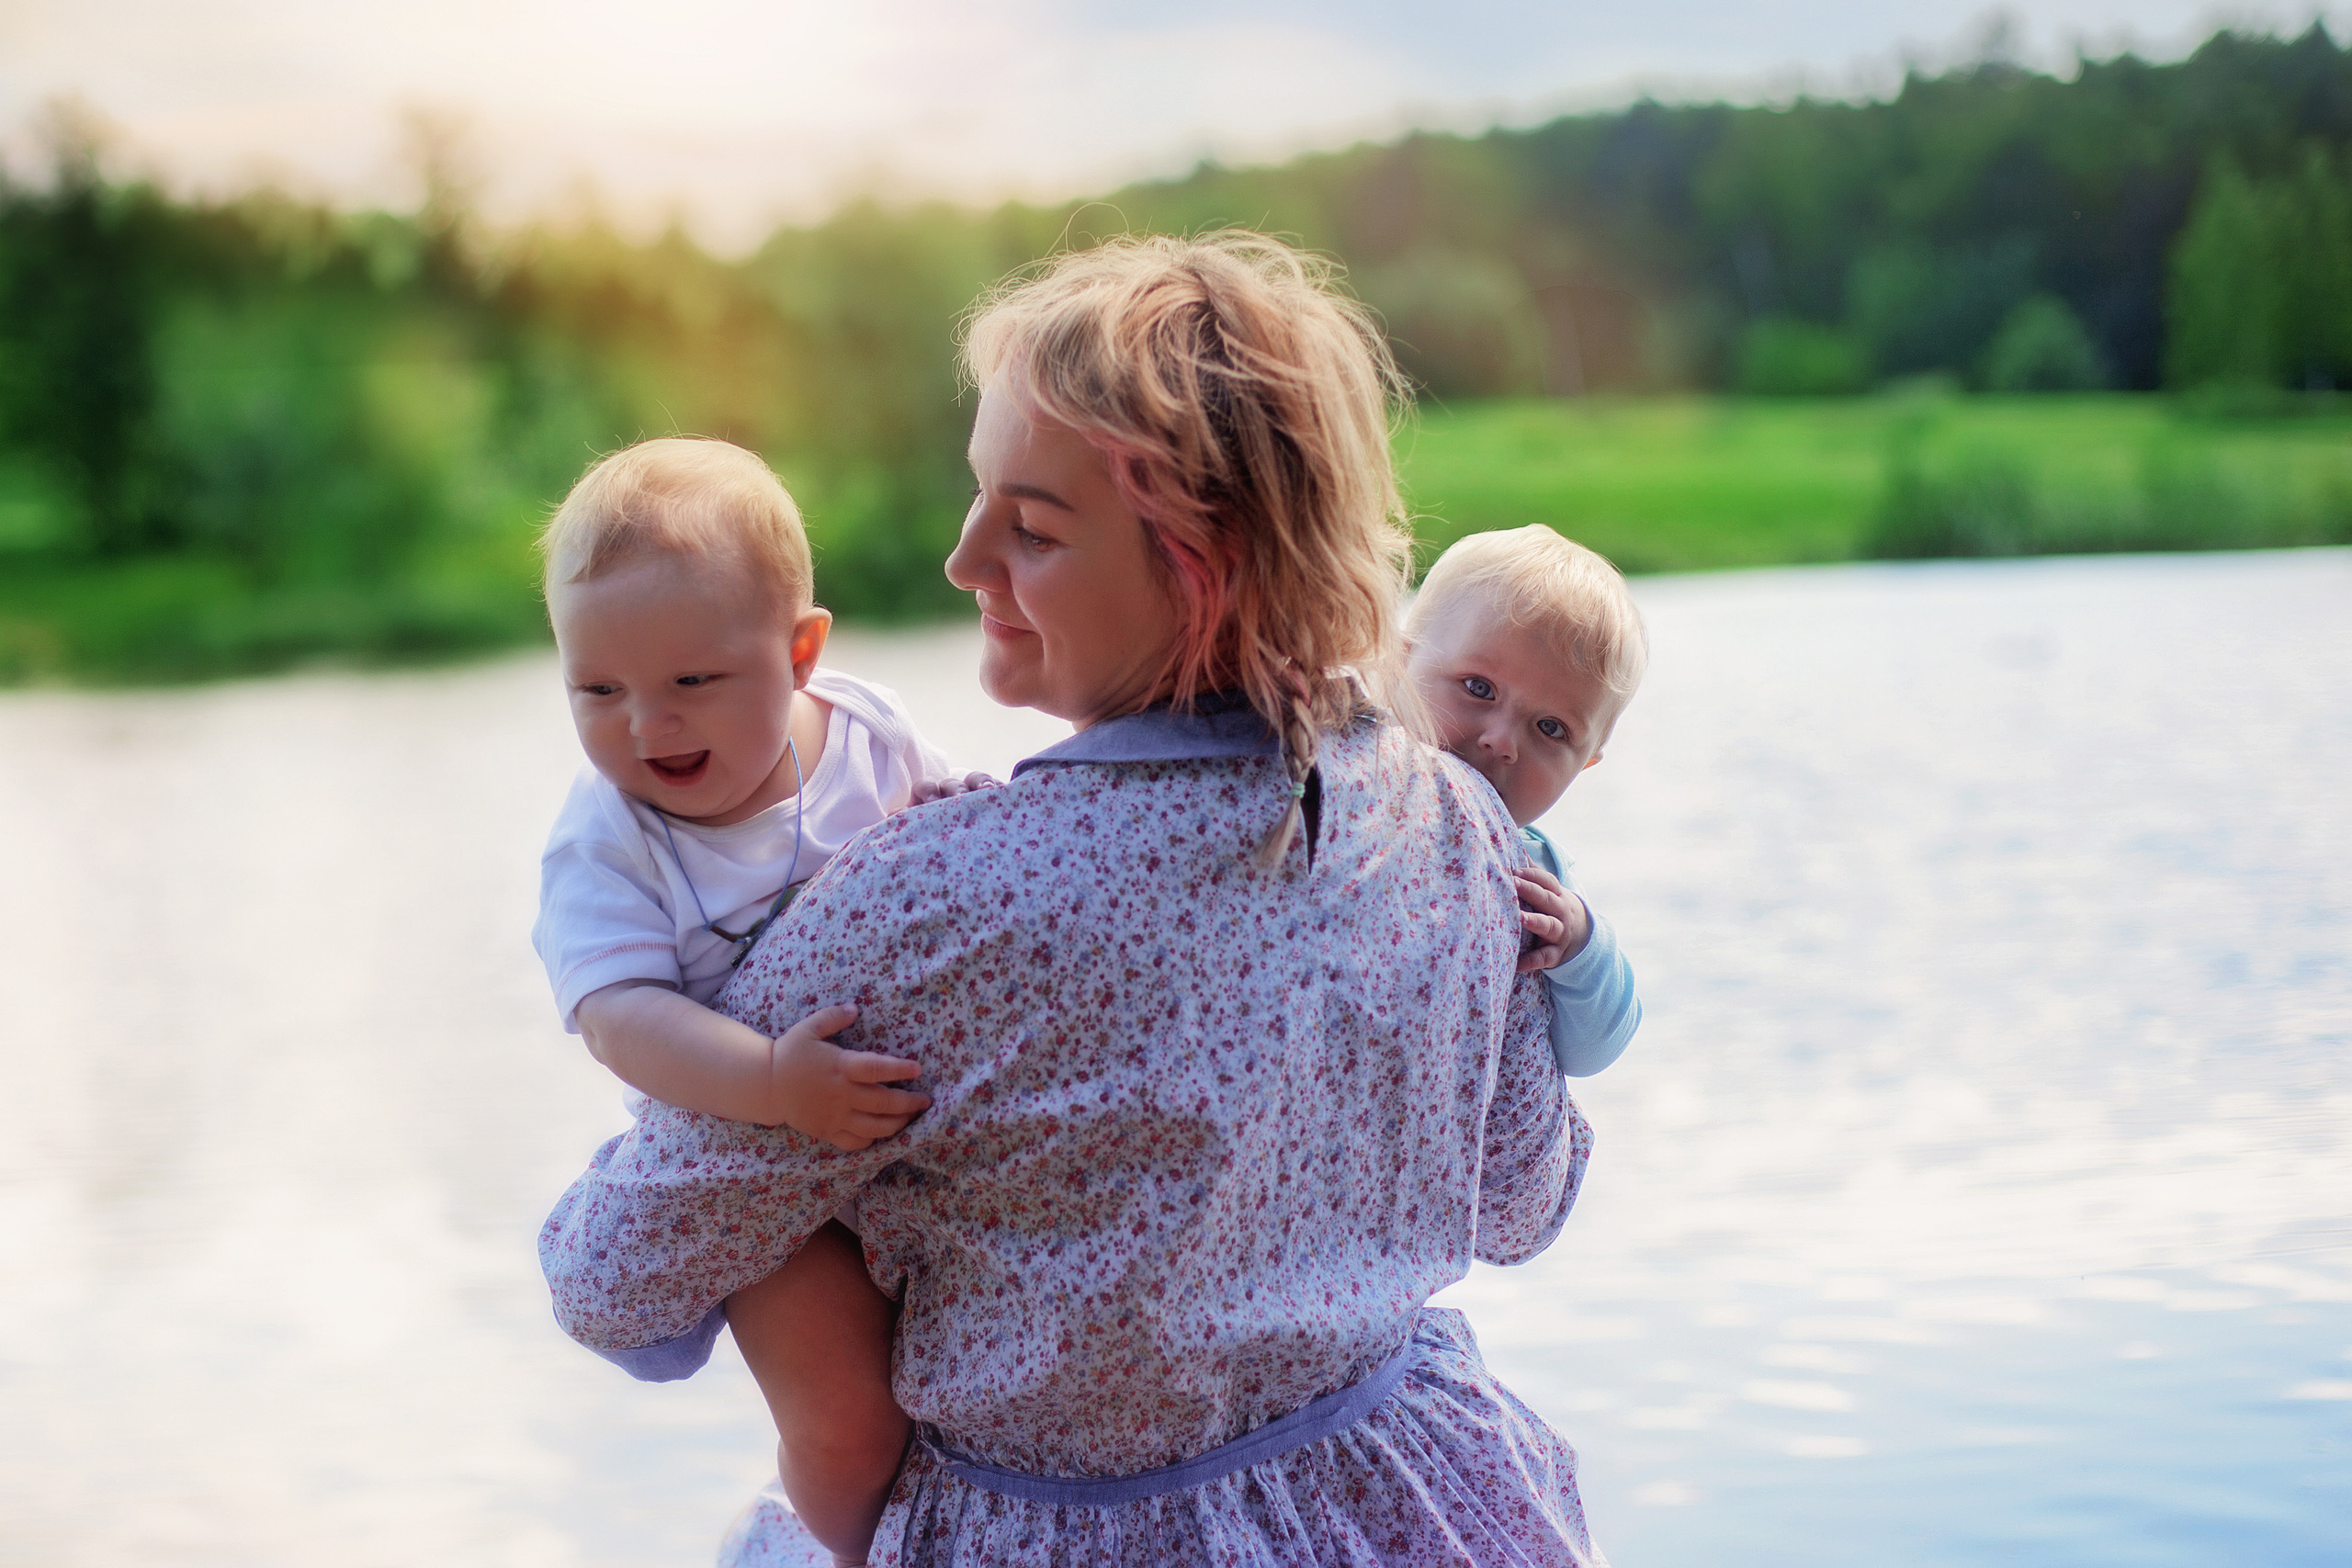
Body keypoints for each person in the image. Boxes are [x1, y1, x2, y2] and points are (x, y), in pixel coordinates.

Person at [541, 231, 1604, 1566]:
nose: (963, 557)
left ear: (1201, 562)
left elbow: (610, 1274)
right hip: (1412, 1499)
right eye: (979, 497)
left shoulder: (934, 903)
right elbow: (1521, 1199)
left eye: (1031, 527)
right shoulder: (1453, 816)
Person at [532, 436, 972, 1558]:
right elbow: (619, 1017)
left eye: (690, 682)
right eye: (598, 689)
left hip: (910, 1125)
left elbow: (950, 846)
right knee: (850, 1425)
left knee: (976, 1382)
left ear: (801, 652)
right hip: (753, 1163)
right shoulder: (608, 837)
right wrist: (770, 1083)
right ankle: (847, 1551)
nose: (645, 725)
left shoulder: (865, 733)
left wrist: (969, 807)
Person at [1406, 525, 1647, 1077]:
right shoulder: (1342, 784)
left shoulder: (1535, 879)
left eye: (1550, 727)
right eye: (1478, 688)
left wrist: (1582, 944)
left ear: (1585, 763)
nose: (1502, 741)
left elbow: (1593, 1053)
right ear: (1399, 665)